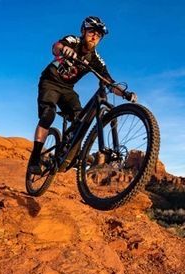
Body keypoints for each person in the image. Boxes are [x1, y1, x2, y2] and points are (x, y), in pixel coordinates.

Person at [28, 16, 137, 174]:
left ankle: (70, 151)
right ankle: (35, 158)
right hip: (50, 82)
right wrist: (65, 49)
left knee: (80, 119)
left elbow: (108, 81)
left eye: (99, 35)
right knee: (48, 114)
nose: (94, 36)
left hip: (67, 89)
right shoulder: (73, 41)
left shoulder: (95, 59)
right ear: (83, 31)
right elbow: (56, 46)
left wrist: (125, 94)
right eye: (92, 31)